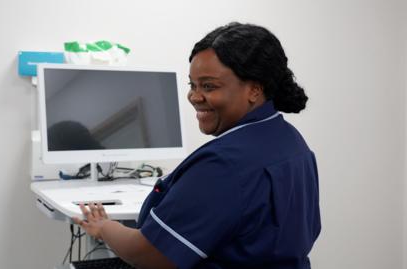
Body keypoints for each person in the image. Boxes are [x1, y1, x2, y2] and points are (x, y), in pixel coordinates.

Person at [73, 22, 321, 269]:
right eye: (192, 85)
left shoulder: (224, 165)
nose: (194, 97)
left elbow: (150, 256)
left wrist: (105, 227)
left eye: (209, 86)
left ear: (255, 89)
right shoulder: (292, 142)